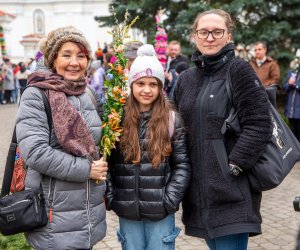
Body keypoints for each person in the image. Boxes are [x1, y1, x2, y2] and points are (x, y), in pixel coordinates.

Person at [173, 9, 273, 250]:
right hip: (198, 193)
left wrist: (233, 166)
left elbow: (260, 123)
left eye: (217, 31)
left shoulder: (239, 70)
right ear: (194, 36)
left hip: (231, 192)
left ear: (228, 36)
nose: (210, 37)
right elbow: (174, 126)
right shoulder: (186, 79)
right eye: (203, 32)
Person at [15, 26, 108, 250]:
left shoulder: (87, 93)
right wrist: (86, 170)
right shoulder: (37, 94)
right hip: (54, 214)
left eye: (81, 56)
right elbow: (35, 152)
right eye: (66, 55)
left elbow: (97, 141)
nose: (74, 62)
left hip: (88, 212)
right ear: (53, 58)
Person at [105, 44, 191, 250]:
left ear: (160, 87)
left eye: (153, 84)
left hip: (160, 212)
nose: (146, 90)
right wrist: (111, 196)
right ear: (131, 84)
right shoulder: (117, 119)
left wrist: (169, 200)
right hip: (127, 210)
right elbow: (106, 161)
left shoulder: (171, 119)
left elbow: (182, 165)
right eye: (140, 83)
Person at [283, 61, 300, 141]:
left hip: (299, 111)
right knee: (292, 135)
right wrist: (289, 84)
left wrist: (295, 84)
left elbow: (296, 85)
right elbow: (285, 87)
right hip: (291, 111)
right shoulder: (292, 72)